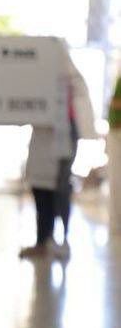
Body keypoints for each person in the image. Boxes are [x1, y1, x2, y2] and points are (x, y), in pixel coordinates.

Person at [19, 55, 96, 260]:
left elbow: (79, 99)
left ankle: (63, 240)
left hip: (64, 132)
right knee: (40, 185)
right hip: (43, 133)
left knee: (60, 188)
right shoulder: (36, 77)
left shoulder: (70, 76)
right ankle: (43, 240)